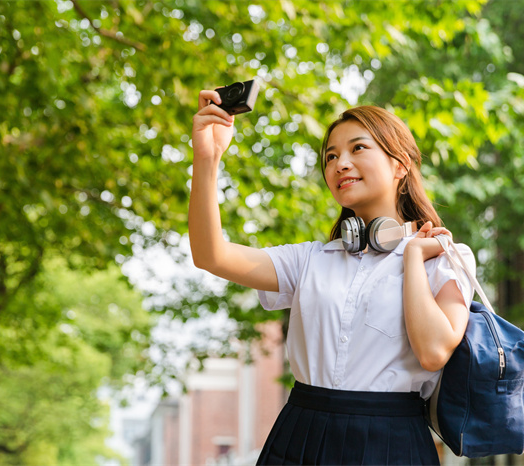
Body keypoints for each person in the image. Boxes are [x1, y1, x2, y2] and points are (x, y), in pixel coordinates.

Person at [189, 90, 476, 465]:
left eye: (358, 148)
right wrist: (207, 159)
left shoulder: (445, 258)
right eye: (331, 156)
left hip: (392, 442)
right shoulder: (309, 260)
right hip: (301, 435)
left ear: (400, 165)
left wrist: (413, 258)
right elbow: (211, 255)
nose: (341, 163)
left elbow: (434, 351)